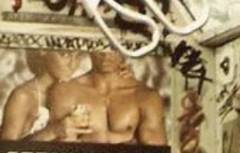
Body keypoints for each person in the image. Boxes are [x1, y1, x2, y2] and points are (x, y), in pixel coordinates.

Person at [33, 48, 168, 145]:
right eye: (100, 45)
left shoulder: (146, 97)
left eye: (113, 47)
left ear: (125, 48)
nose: (106, 54)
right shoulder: (66, 90)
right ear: (89, 46)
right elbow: (58, 149)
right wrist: (124, 137)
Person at [0, 49, 82, 140]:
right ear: (43, 51)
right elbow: (5, 151)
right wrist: (52, 132)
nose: (73, 65)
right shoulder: (23, 96)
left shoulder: (72, 93)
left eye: (78, 56)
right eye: (65, 55)